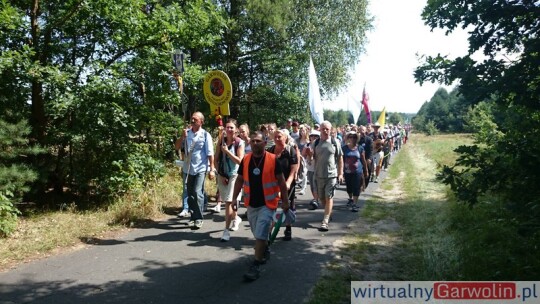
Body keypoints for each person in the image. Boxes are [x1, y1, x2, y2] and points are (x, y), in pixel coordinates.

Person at [232, 131, 289, 281]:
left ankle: (256, 264)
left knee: (261, 232)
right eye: (253, 141)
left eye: (258, 141)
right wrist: (234, 199)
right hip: (251, 204)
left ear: (264, 143)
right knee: (257, 233)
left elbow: (282, 182)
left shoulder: (272, 159)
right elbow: (239, 180)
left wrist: (285, 201)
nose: (255, 143)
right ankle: (265, 248)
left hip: (268, 204)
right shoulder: (246, 159)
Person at [180, 112, 215, 229]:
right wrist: (182, 137)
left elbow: (210, 153)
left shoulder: (205, 135)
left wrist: (212, 169)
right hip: (188, 168)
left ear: (201, 121)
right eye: (192, 118)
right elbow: (177, 146)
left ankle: (199, 218)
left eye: (195, 119)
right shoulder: (187, 133)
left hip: (200, 168)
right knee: (190, 194)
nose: (193, 120)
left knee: (197, 192)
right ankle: (193, 216)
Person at [214, 119, 245, 241]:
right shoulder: (221, 142)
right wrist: (219, 174)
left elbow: (240, 161)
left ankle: (225, 231)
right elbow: (215, 160)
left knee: (227, 202)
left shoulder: (239, 143)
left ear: (236, 130)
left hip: (235, 175)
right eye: (227, 127)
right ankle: (236, 218)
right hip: (222, 175)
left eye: (232, 127)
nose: (229, 129)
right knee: (230, 203)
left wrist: (227, 152)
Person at [267, 129, 298, 241]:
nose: (277, 138)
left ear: (285, 138)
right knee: (272, 206)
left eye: (279, 136)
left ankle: (288, 228)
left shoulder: (290, 150)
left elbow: (294, 168)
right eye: (275, 136)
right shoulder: (270, 150)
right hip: (273, 184)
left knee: (287, 205)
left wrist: (289, 182)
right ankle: (269, 231)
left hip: (287, 183)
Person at [314, 121, 344, 231]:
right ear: (320, 130)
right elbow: (312, 158)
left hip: (331, 175)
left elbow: (340, 158)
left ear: (330, 130)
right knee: (322, 198)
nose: (325, 131)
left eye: (327, 129)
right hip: (319, 175)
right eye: (323, 129)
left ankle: (325, 220)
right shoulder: (316, 142)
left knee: (329, 196)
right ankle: (328, 212)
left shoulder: (335, 142)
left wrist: (340, 174)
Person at [342, 132, 368, 212]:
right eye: (350, 137)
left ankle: (355, 204)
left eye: (354, 137)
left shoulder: (360, 148)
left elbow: (363, 160)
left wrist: (366, 170)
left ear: (357, 139)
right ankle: (350, 198)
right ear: (348, 138)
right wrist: (341, 171)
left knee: (356, 187)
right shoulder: (344, 148)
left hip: (357, 171)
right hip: (347, 171)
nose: (352, 138)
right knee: (349, 187)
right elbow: (341, 160)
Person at [303, 130, 320, 210]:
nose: (314, 137)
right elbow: (303, 155)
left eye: (316, 136)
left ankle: (316, 200)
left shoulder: (319, 145)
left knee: (316, 185)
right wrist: (307, 152)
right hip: (310, 168)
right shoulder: (307, 145)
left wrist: (311, 155)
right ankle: (315, 198)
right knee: (312, 186)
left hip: (318, 169)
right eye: (312, 136)